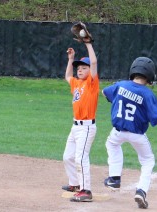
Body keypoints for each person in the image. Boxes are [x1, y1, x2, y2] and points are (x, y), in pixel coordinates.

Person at [102, 57, 157, 209]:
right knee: (148, 161)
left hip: (118, 131)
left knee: (111, 144)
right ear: (150, 76)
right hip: (137, 135)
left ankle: (114, 178)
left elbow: (105, 93)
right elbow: (156, 118)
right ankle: (141, 191)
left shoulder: (121, 85)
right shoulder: (147, 94)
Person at [61, 37, 99, 202]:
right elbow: (67, 76)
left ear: (90, 71)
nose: (80, 70)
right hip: (75, 127)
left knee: (80, 158)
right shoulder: (76, 83)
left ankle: (86, 191)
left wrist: (88, 44)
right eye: (79, 68)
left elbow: (94, 62)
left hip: (86, 127)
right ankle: (75, 184)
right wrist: (70, 60)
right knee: (67, 157)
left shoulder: (92, 83)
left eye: (84, 68)